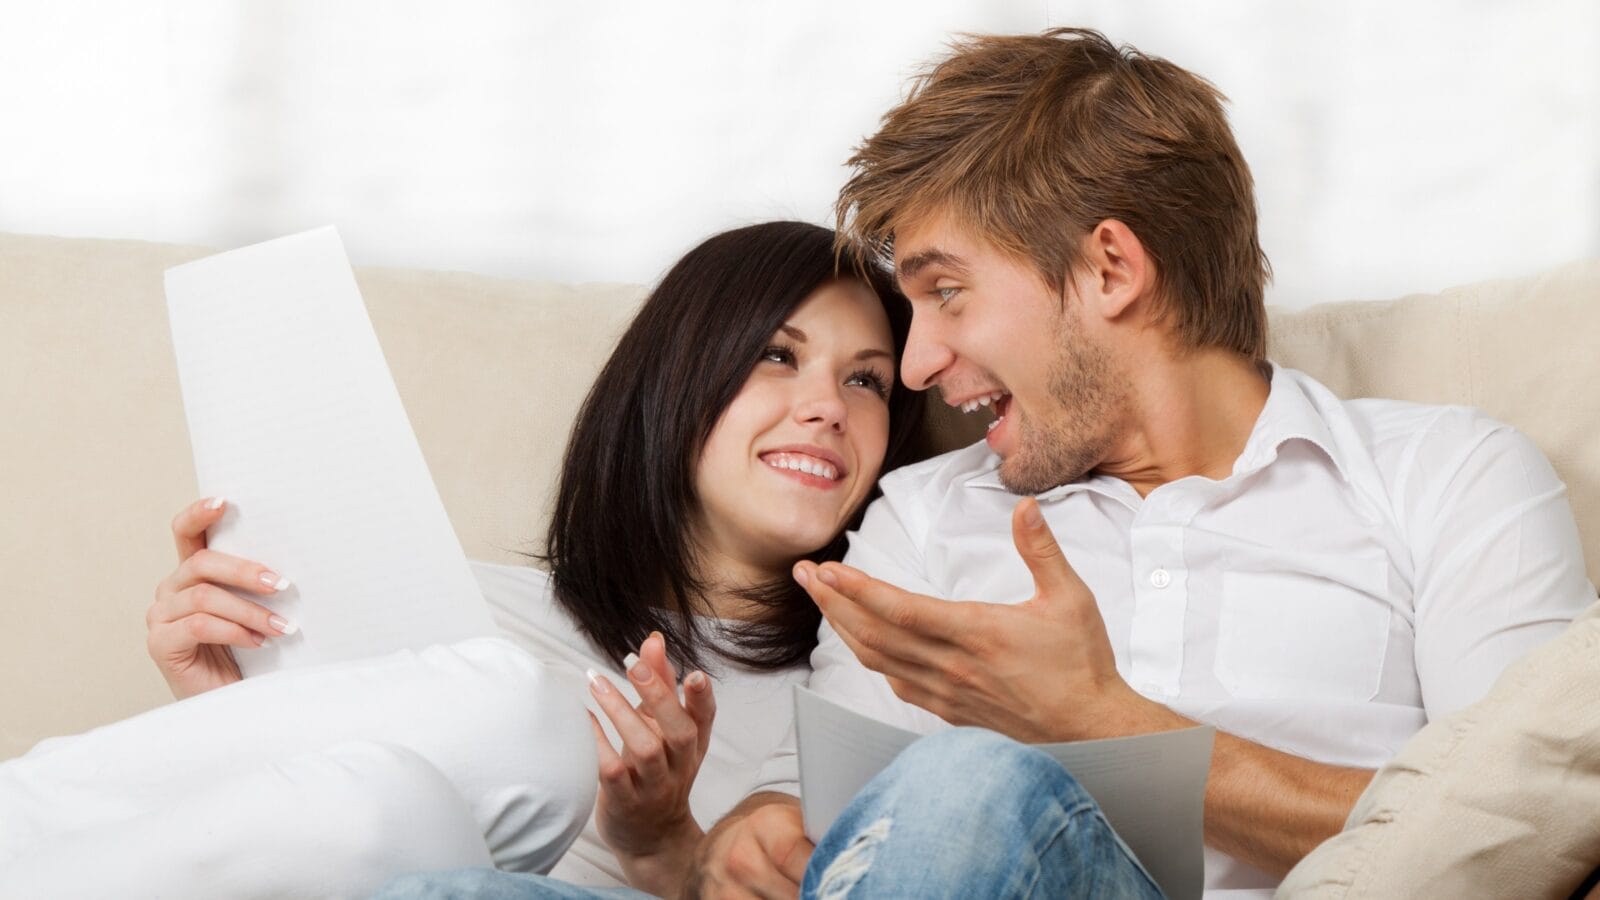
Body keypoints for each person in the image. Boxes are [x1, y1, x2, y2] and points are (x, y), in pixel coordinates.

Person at [679, 28, 1597, 900]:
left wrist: (1095, 720)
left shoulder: (1447, 476)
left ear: (1111, 269)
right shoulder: (921, 518)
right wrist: (758, 829)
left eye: (948, 293)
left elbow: (1519, 835)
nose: (916, 366)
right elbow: (848, 827)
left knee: (972, 778)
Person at [0, 221, 925, 898]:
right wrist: (236, 715)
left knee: (487, 739)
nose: (827, 407)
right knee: (402, 782)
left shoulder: (862, 698)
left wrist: (672, 844)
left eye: (866, 379)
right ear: (675, 384)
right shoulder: (458, 608)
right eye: (777, 354)